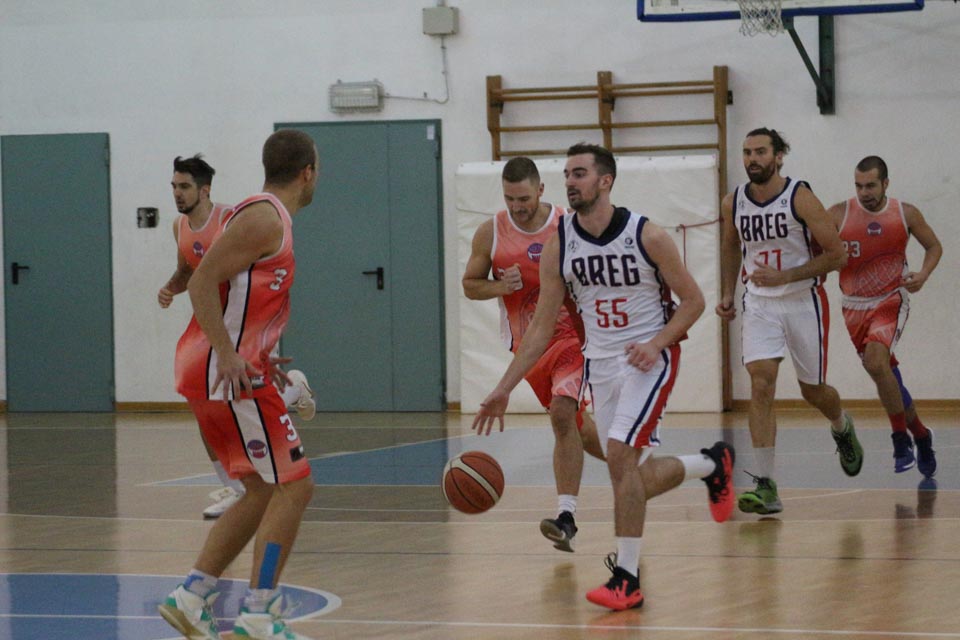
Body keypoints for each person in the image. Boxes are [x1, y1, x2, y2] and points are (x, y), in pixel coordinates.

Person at [473, 143, 735, 611]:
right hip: (601, 364)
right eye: (567, 174)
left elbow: (694, 301)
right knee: (632, 476)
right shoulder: (560, 245)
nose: (571, 181)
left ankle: (627, 579)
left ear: (605, 181)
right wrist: (502, 389)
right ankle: (711, 465)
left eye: (580, 173)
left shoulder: (647, 235)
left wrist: (656, 343)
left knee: (617, 457)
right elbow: (538, 330)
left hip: (648, 360)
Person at [158, 130, 319, 640]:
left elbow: (237, 297)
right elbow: (201, 282)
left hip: (229, 370)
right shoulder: (264, 217)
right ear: (308, 173)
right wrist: (229, 354)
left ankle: (193, 595)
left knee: (262, 488)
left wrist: (260, 352)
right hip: (224, 373)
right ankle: (258, 614)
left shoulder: (267, 218)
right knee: (294, 485)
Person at [716, 127, 862, 516]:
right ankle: (766, 485)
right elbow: (730, 246)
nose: (752, 159)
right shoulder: (734, 202)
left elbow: (837, 255)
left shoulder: (800, 197)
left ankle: (841, 424)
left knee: (813, 390)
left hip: (802, 301)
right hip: (759, 304)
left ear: (779, 156)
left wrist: (786, 276)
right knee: (761, 383)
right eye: (747, 152)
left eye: (760, 151)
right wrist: (728, 292)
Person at [462, 156, 604, 552]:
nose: (517, 207)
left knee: (562, 413)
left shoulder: (567, 225)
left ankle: (566, 517)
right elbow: (470, 285)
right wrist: (499, 287)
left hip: (574, 337)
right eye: (509, 199)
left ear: (541, 190)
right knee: (578, 427)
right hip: (530, 347)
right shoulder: (490, 232)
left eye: (523, 198)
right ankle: (633, 466)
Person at [827, 156, 941, 477]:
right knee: (887, 376)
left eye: (871, 185)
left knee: (877, 363)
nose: (864, 192)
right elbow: (815, 250)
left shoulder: (905, 213)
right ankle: (921, 435)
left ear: (885, 183)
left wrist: (923, 274)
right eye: (859, 186)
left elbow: (934, 246)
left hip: (891, 299)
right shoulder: (838, 214)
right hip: (853, 306)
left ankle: (900, 440)